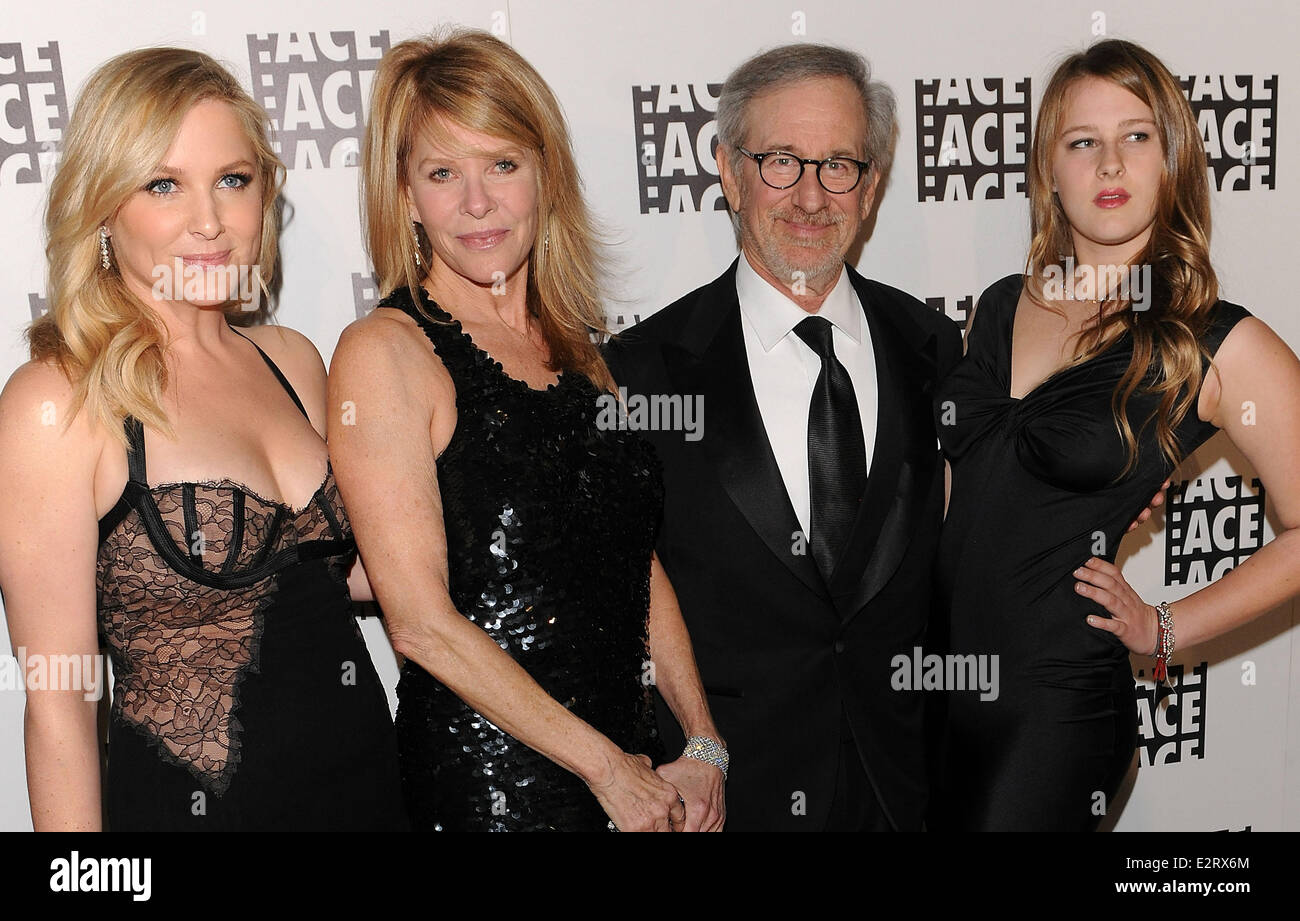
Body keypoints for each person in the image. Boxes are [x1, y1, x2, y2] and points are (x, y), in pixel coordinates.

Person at [329, 29, 725, 832]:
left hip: (631, 772)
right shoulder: (386, 353)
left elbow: (633, 558)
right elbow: (420, 624)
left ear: (546, 175)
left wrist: (704, 741)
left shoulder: (580, 350)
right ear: (405, 195)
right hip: (491, 785)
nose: (477, 203)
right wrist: (608, 769)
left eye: (503, 164)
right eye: (443, 173)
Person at [0, 48, 407, 831]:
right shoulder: (58, 401)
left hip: (367, 790)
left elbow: (345, 578)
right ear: (103, 211)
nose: (212, 221)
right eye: (163, 185)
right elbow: (58, 712)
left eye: (234, 178)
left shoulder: (293, 360)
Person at [932, 38, 1300, 831]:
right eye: (1081, 142)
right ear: (1048, 171)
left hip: (1055, 711)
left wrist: (1166, 626)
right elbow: (969, 488)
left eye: (1136, 136)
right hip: (934, 695)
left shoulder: (1214, 342)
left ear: (1173, 161)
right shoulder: (997, 306)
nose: (1109, 164)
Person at [606, 43, 963, 831]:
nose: (810, 197)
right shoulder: (638, 376)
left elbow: (987, 521)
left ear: (869, 188)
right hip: (728, 802)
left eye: (839, 164)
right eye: (779, 162)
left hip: (907, 795)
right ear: (730, 174)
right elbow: (614, 586)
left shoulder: (935, 347)